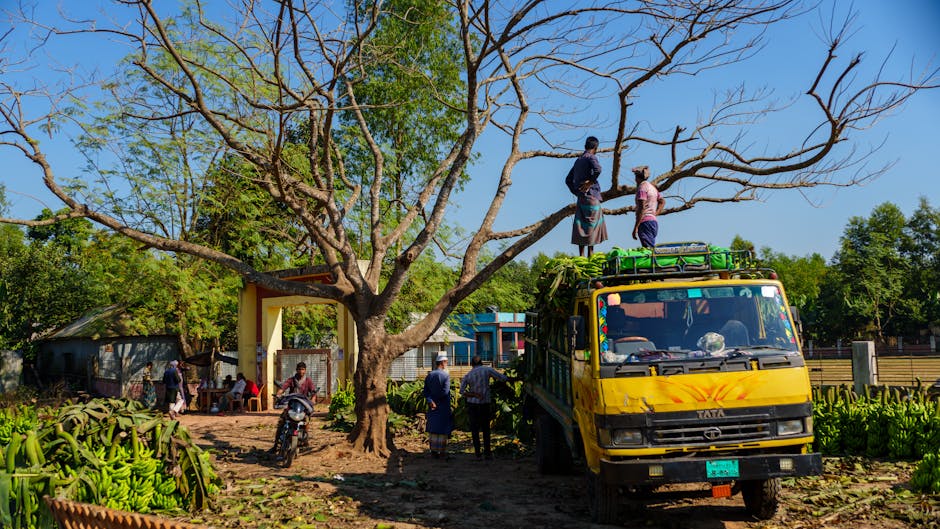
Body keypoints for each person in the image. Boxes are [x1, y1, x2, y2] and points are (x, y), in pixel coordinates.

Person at [459, 355, 509, 460]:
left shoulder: (468, 375)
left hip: (472, 405)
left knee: (475, 429)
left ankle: (478, 453)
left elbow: (462, 391)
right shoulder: (487, 370)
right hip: (484, 404)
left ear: (472, 364)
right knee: (486, 428)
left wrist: (474, 394)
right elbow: (502, 378)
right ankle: (487, 453)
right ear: (481, 362)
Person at [565, 136, 608, 257]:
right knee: (591, 225)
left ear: (585, 146)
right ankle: (591, 254)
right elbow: (598, 169)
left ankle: (581, 255)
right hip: (592, 197)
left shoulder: (578, 160)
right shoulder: (591, 157)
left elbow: (568, 180)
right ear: (596, 148)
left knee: (581, 226)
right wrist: (590, 183)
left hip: (581, 198)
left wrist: (577, 192)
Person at [270, 362, 317, 453]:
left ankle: (305, 441)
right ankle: (276, 445)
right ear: (296, 370)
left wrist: (313, 399)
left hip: (303, 405)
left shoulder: (308, 381)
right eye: (299, 369)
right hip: (292, 404)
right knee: (282, 421)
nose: (301, 371)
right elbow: (283, 388)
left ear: (305, 370)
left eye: (303, 369)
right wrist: (278, 394)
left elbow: (313, 392)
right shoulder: (291, 380)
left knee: (306, 421)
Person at [423, 352, 453, 458]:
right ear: (443, 362)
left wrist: (431, 400)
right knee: (443, 428)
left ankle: (433, 451)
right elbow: (445, 392)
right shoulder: (445, 376)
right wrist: (437, 400)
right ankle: (442, 452)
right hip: (443, 406)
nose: (447, 364)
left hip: (432, 406)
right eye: (446, 362)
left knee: (433, 428)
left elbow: (425, 391)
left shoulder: (429, 375)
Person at [631, 165, 665, 249]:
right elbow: (662, 201)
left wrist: (636, 227)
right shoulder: (652, 188)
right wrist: (654, 214)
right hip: (653, 222)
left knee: (649, 250)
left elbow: (641, 208)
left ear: (636, 177)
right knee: (650, 247)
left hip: (645, 222)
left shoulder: (642, 188)